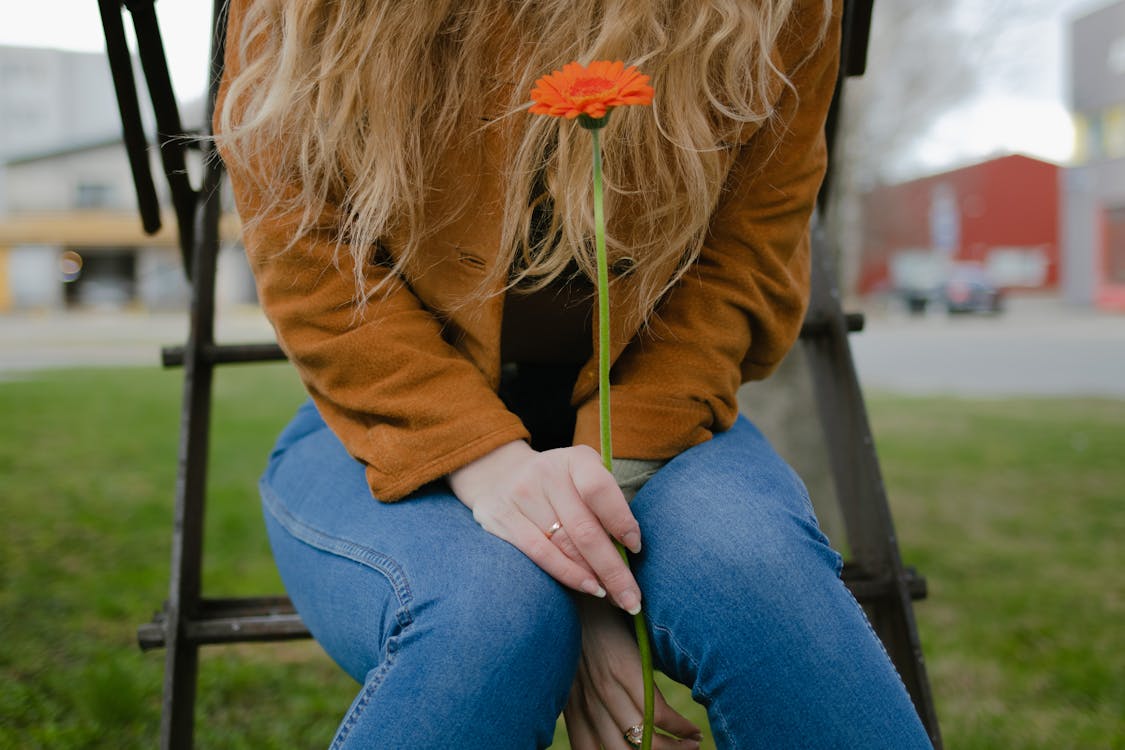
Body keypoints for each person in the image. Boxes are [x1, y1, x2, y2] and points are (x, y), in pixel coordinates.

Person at [215, 0, 934, 747]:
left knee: (752, 571)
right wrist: (494, 477)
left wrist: (586, 544)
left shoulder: (773, 11)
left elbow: (742, 260)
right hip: (392, 418)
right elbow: (308, 258)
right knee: (487, 613)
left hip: (655, 413)